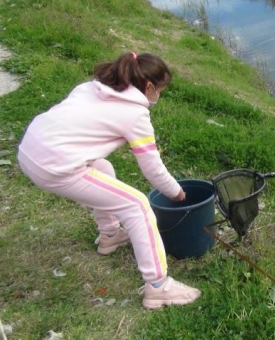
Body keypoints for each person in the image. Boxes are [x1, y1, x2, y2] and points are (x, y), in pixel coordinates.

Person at [17, 52, 201, 309]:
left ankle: (110, 235)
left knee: (102, 168)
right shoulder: (134, 114)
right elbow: (153, 169)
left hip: (30, 151)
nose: (158, 96)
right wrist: (176, 192)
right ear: (149, 87)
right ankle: (158, 287)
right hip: (55, 167)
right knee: (137, 205)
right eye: (160, 90)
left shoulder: (91, 88)